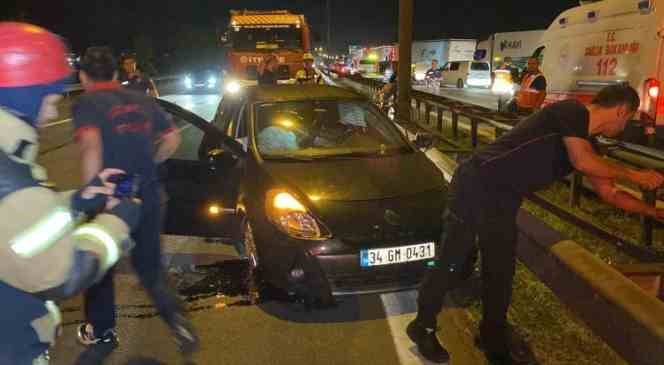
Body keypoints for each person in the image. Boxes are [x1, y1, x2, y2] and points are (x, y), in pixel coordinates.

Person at [407, 85, 664, 364]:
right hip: (476, 182)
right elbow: (583, 161)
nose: (625, 126)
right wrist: (634, 175)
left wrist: (651, 212)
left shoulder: (589, 144)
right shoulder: (572, 111)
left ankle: (492, 337)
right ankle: (423, 326)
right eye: (628, 119)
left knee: (500, 271)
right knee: (451, 262)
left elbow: (609, 193)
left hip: (504, 198)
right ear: (621, 110)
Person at [0, 22, 141, 365]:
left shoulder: (9, 168)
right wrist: (116, 222)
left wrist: (77, 200)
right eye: (49, 99)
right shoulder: (11, 177)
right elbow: (64, 273)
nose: (52, 112)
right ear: (23, 95)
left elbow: (17, 227)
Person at [73, 47, 199, 357]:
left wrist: (93, 194)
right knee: (150, 270)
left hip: (111, 197)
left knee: (99, 267)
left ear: (83, 76)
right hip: (149, 194)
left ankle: (102, 332)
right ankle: (176, 319)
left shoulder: (87, 102)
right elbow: (172, 139)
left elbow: (91, 147)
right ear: (117, 74)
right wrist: (150, 165)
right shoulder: (143, 99)